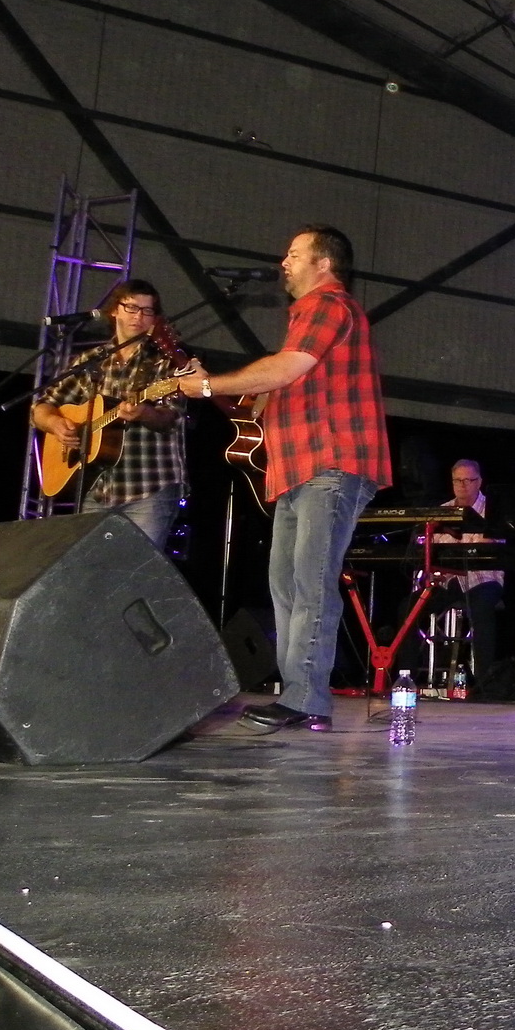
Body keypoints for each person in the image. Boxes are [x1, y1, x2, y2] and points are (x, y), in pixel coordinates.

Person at [188, 226, 392, 733]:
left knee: (309, 583)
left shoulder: (329, 305)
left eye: (295, 254)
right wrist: (222, 389)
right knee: (286, 584)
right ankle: (301, 695)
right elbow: (271, 390)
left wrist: (207, 384)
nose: (284, 261)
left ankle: (305, 699)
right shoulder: (307, 319)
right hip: (299, 471)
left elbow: (283, 370)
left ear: (323, 264)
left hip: (331, 465)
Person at [31, 279, 187, 547]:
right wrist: (55, 423)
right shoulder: (92, 360)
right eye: (132, 308)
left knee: (137, 568)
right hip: (97, 489)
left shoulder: (167, 362)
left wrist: (143, 413)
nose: (139, 317)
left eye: (147, 311)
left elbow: (170, 418)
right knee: (92, 567)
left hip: (149, 487)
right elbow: (41, 407)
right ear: (115, 310)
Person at [415, 459, 505, 694]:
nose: (463, 486)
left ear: (479, 482)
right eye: (458, 481)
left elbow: (491, 549)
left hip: (482, 579)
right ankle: (406, 677)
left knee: (482, 608)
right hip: (447, 581)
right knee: (409, 607)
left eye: (468, 480)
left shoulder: (494, 510)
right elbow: (430, 549)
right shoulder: (442, 511)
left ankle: (484, 683)